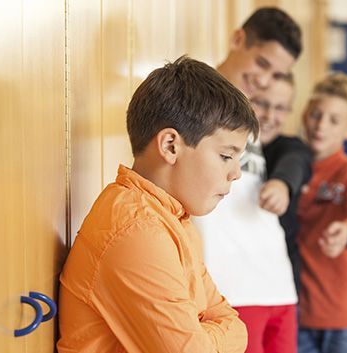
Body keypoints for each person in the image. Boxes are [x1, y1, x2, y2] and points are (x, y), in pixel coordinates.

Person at [57, 56, 260, 353]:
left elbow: (234, 323)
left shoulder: (174, 220)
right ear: (170, 146)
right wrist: (207, 335)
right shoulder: (137, 231)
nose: (236, 173)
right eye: (226, 156)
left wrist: (205, 336)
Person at [193, 7, 304, 353]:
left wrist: (284, 182)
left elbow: (294, 152)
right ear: (238, 39)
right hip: (229, 289)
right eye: (262, 64)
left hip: (277, 283)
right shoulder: (195, 101)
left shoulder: (248, 113)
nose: (264, 80)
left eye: (277, 74)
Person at [297, 72, 347, 353]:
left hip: (344, 316)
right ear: (305, 115)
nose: (321, 126)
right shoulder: (289, 167)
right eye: (316, 115)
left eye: (334, 120)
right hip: (298, 313)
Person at [252, 73, 312, 291]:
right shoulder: (229, 148)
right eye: (261, 104)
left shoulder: (291, 147)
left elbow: (294, 162)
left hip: (279, 276)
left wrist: (281, 184)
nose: (269, 115)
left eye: (280, 108)